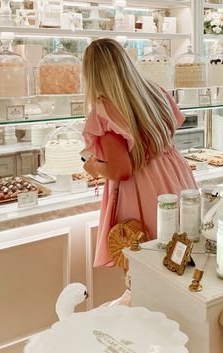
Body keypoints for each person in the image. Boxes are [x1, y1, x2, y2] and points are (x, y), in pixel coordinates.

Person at [82, 38, 196, 267]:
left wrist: (93, 166)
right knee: (180, 253)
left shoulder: (106, 108)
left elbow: (121, 170)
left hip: (142, 188)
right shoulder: (155, 90)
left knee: (145, 266)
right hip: (175, 175)